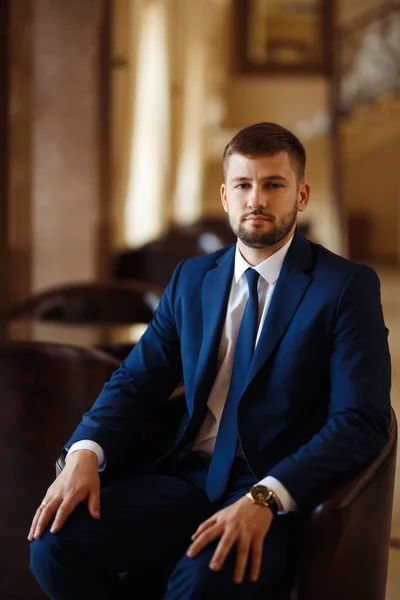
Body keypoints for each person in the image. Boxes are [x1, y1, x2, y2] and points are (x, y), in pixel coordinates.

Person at [29, 122, 391, 600]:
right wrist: (84, 452)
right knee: (54, 544)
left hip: (275, 485)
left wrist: (267, 495)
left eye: (273, 184)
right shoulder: (193, 278)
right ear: (225, 196)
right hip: (192, 476)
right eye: (243, 185)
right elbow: (136, 381)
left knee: (198, 584)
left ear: (301, 196)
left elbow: (360, 420)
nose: (255, 199)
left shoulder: (345, 286)